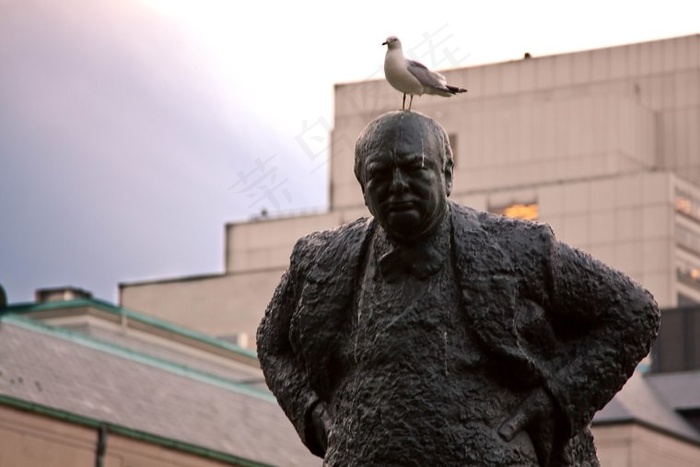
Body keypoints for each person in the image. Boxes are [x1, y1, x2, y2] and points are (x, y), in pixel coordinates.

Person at [256, 111, 660, 466]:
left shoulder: (517, 248)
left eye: (414, 168)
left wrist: (557, 401)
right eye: (380, 173)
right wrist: (309, 411)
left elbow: (634, 311)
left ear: (447, 174)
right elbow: (270, 342)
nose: (397, 184)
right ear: (362, 185)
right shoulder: (320, 260)